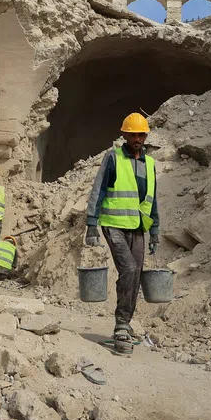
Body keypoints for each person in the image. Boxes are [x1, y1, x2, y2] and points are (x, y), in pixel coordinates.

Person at [85, 112, 159, 356]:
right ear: (124, 135)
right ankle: (121, 325)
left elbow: (152, 198)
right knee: (127, 268)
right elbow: (98, 190)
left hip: (138, 227)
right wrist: (91, 224)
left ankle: (125, 323)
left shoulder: (149, 164)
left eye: (140, 134)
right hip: (113, 224)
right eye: (132, 134)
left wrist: (155, 229)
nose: (137, 138)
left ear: (145, 135)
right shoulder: (113, 158)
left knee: (135, 274)